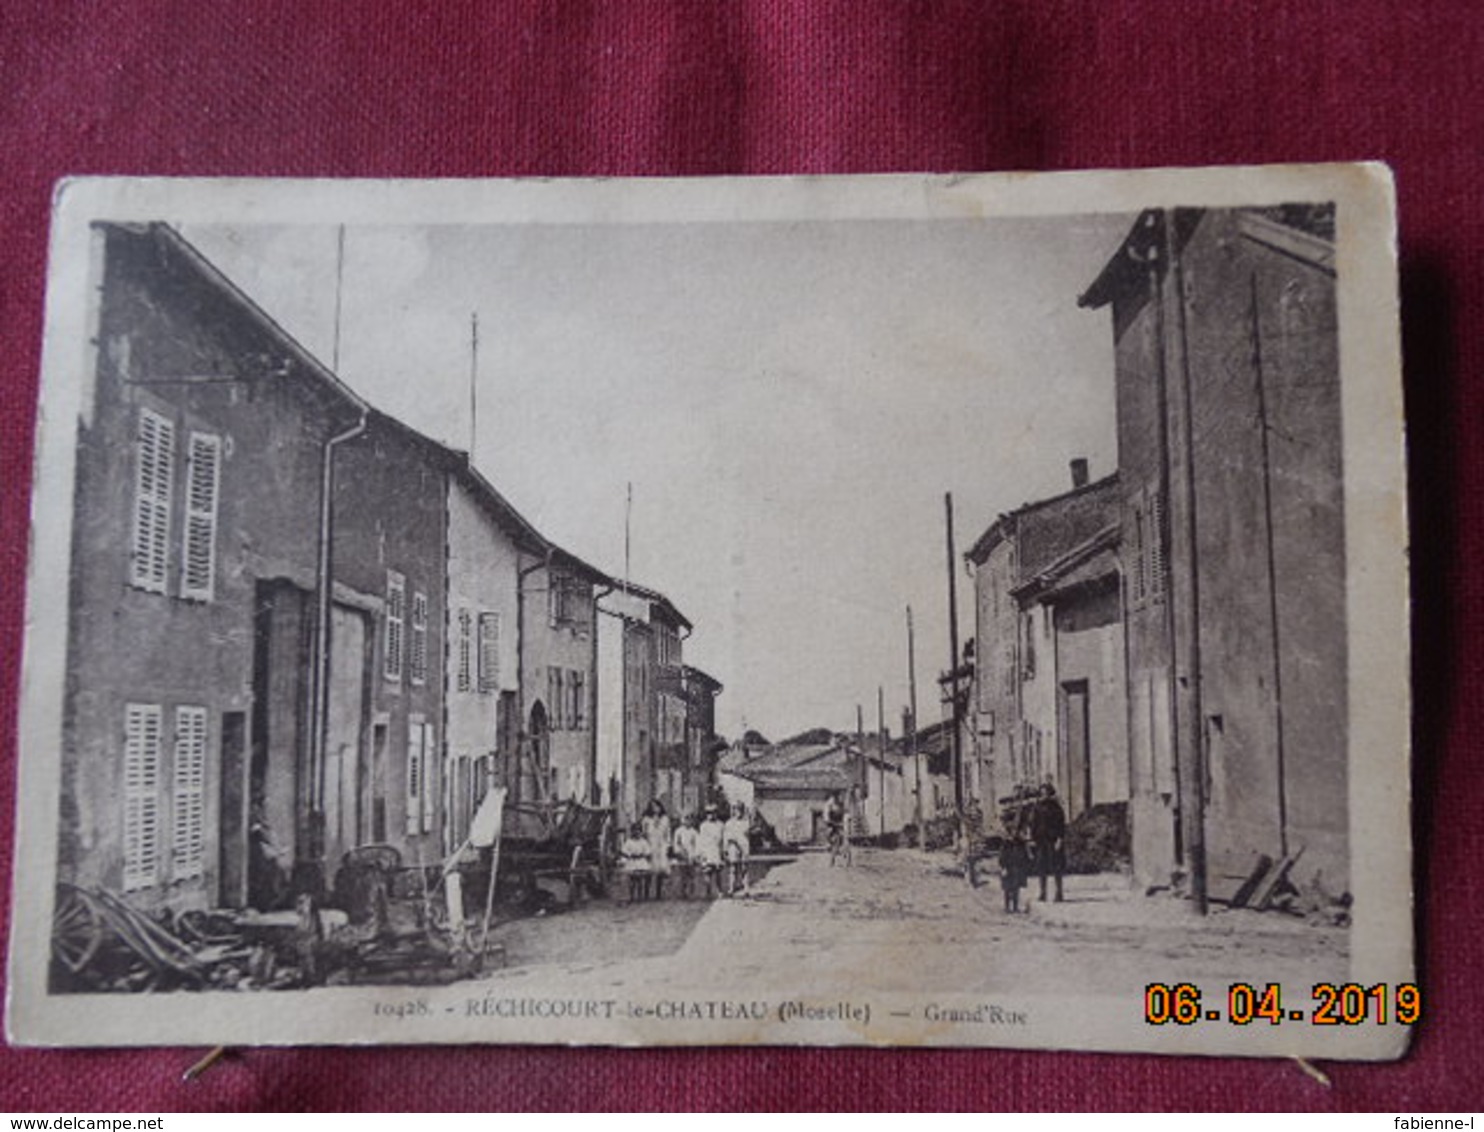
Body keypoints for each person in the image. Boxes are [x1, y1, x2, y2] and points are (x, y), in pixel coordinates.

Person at [1029, 781, 1067, 903]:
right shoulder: (1037, 807)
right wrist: (1032, 839)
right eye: (1042, 793)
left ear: (1050, 794)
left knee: (1056, 867)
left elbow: (1061, 825)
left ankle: (1059, 893)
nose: (1044, 795)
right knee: (1041, 867)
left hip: (1053, 840)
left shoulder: (1056, 808)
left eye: (1046, 793)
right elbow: (1033, 824)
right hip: (1041, 841)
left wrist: (1060, 840)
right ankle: (1042, 892)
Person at [641, 798, 672, 901]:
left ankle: (658, 893)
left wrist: (668, 845)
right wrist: (644, 845)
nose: (655, 809)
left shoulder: (665, 819)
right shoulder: (646, 819)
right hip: (650, 844)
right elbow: (643, 833)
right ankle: (646, 893)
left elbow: (668, 833)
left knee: (660, 870)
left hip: (661, 844)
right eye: (653, 807)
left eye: (657, 806)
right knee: (649, 869)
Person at [696, 805, 726, 898]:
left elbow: (723, 839)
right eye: (708, 813)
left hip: (716, 850)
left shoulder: (720, 825)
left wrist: (723, 851)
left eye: (713, 813)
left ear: (716, 813)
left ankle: (719, 890)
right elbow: (700, 840)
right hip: (707, 850)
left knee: (717, 872)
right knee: (707, 872)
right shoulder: (703, 825)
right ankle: (708, 891)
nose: (711, 815)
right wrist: (701, 853)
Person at [722, 802, 751, 897]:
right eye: (737, 810)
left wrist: (744, 848)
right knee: (733, 868)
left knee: (744, 868)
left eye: (740, 810)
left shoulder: (745, 823)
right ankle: (731, 888)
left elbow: (746, 835)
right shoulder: (729, 823)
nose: (738, 812)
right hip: (733, 847)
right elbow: (727, 837)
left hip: (743, 846)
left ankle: (746, 888)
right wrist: (725, 849)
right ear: (734, 811)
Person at [620, 822, 652, 904]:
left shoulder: (643, 842)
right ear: (632, 832)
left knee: (640, 879)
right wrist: (628, 856)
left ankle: (640, 896)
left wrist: (644, 855)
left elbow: (648, 851)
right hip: (632, 862)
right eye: (635, 831)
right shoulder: (629, 842)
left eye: (639, 831)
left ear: (641, 832)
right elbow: (624, 851)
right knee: (632, 881)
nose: (637, 833)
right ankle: (631, 896)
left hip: (641, 862)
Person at [998, 833, 1031, 913]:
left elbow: (1026, 856)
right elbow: (1002, 856)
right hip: (1008, 867)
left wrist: (1025, 864)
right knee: (1007, 888)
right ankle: (1007, 906)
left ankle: (1015, 907)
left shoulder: (1021, 844)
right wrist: (1003, 867)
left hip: (1018, 867)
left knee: (1016, 887)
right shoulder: (1006, 844)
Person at [671, 813, 699, 900]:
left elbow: (697, 844)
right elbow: (676, 843)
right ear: (681, 820)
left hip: (691, 854)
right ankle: (682, 892)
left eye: (689, 819)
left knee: (691, 875)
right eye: (685, 819)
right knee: (682, 875)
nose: (687, 821)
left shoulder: (694, 832)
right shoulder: (678, 831)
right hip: (682, 855)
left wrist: (695, 855)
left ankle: (691, 892)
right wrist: (679, 852)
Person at [825, 792, 851, 867]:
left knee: (844, 837)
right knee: (830, 835)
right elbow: (827, 819)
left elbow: (845, 813)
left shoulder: (841, 806)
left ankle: (845, 852)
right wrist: (831, 823)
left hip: (840, 825)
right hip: (832, 825)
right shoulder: (830, 807)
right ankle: (829, 846)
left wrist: (847, 819)